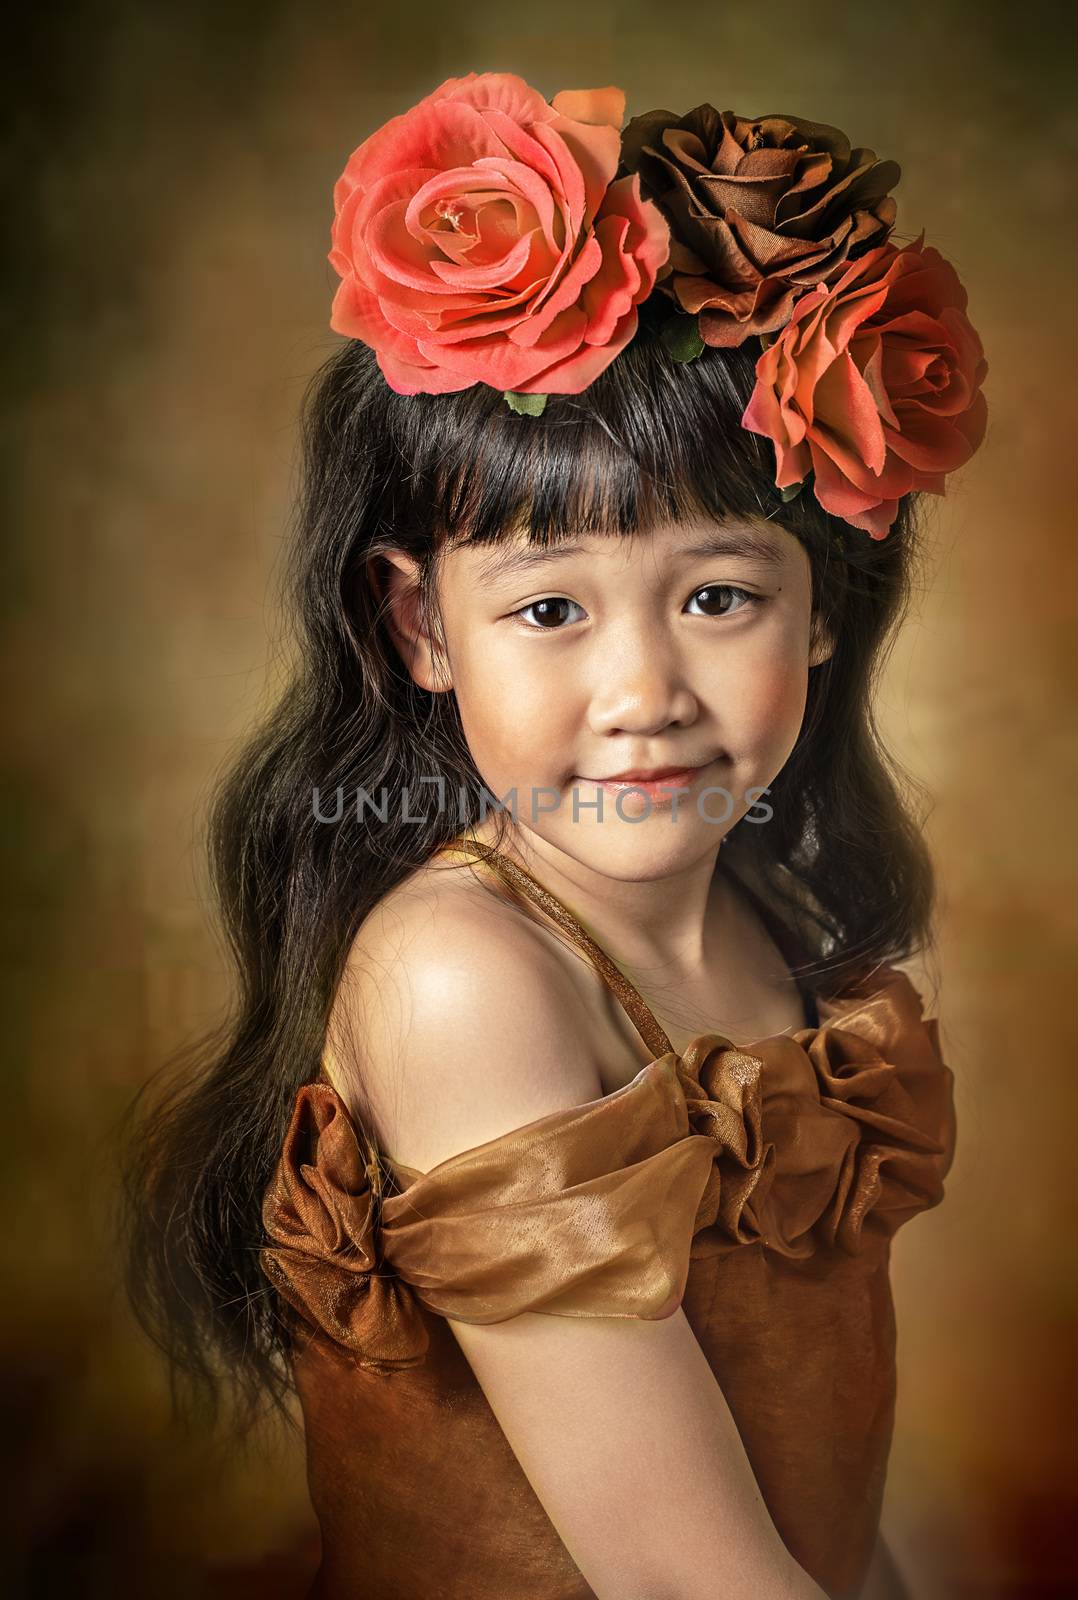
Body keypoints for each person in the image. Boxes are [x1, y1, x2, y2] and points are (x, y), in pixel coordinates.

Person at [121, 70, 986, 1600]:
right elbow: (681, 1577)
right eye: (548, 609)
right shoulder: (463, 978)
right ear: (419, 625)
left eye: (719, 598)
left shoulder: (772, 921)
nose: (643, 693)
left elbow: (819, 1507)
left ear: (825, 607)